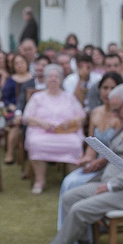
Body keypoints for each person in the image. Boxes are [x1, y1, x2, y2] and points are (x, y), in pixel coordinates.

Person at [24, 84, 123, 244]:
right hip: (111, 183)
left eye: (117, 109)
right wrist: (102, 161)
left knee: (79, 209)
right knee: (69, 197)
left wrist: (110, 186)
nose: (115, 114)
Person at [53, 72, 123, 244]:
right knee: (68, 181)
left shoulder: (122, 116)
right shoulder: (95, 112)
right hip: (95, 162)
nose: (108, 92)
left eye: (112, 88)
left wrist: (99, 162)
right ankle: (70, 240)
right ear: (99, 90)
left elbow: (121, 152)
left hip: (111, 166)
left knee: (76, 186)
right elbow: (92, 147)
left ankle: (83, 241)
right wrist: (86, 159)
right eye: (105, 88)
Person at [22, 65, 86, 194]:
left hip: (65, 133)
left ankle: (71, 182)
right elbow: (26, 117)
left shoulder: (69, 97)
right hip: (42, 132)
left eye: (56, 76)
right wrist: (41, 122)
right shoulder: (37, 97)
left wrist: (70, 122)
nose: (53, 79)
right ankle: (40, 181)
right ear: (45, 79)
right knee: (36, 144)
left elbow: (81, 116)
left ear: (61, 79)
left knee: (74, 144)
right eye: (50, 76)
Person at [1, 55, 34, 165]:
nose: (20, 65)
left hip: (31, 110)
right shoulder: (10, 80)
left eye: (22, 62)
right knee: (15, 124)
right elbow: (4, 98)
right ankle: (10, 153)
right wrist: (13, 107)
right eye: (17, 63)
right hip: (14, 109)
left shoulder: (33, 79)